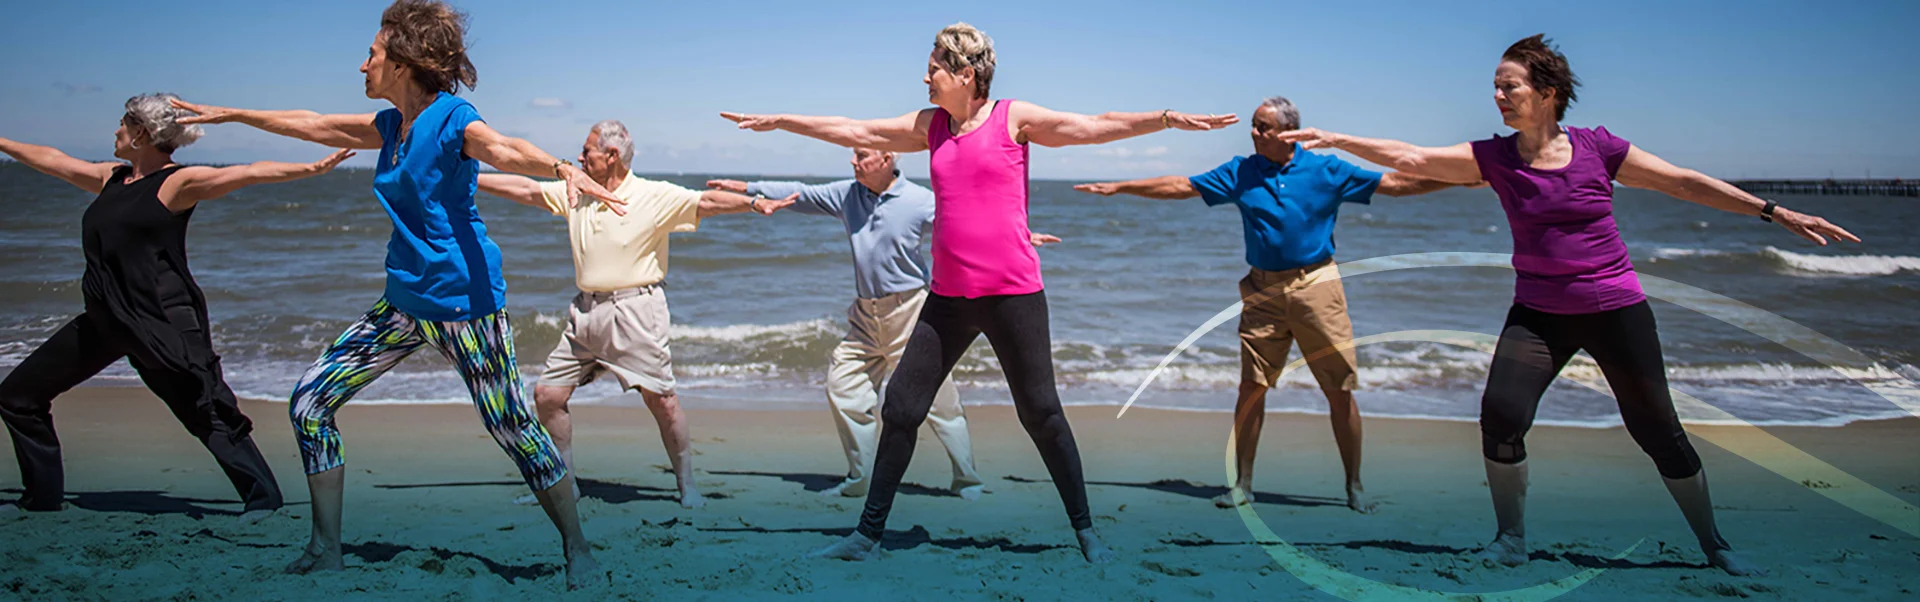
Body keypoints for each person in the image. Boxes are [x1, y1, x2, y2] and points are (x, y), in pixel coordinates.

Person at [1274, 34, 1858, 576]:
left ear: (1547, 93)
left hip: (1616, 310)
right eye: (1496, 87)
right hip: (1538, 314)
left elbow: (1682, 182)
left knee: (1657, 428)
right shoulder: (1495, 158)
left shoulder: (1599, 149)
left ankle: (1714, 544)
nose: (1498, 96)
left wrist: (1773, 212)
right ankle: (1510, 539)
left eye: (1511, 86)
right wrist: (1337, 138)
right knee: (1501, 417)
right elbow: (1415, 158)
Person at [720, 22, 1237, 564]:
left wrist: (1163, 119)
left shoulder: (1014, 118)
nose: (925, 77)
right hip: (947, 297)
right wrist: (783, 122)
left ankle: (1087, 532)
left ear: (966, 74)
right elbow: (855, 127)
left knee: (1040, 413)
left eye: (935, 69)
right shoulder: (931, 127)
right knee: (900, 407)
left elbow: (1092, 126)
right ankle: (867, 536)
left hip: (1014, 293)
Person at [168, 0, 623, 588]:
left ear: (403, 63)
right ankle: (325, 547)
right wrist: (230, 114)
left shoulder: (454, 118)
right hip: (403, 303)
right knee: (309, 404)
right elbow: (310, 123)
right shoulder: (389, 126)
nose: (363, 66)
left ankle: (577, 548)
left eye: (373, 55)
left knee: (514, 429)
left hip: (465, 305)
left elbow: (504, 148)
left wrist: (560, 167)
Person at [1075, 96, 1474, 514]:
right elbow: (1182, 187)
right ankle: (1242, 485)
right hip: (1262, 292)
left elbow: (1396, 184)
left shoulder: (1325, 168)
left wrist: (1461, 179)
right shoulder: (1242, 171)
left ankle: (1354, 486)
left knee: (1338, 389)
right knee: (1251, 388)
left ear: (1287, 132)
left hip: (1317, 287)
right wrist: (1121, 186)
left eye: (1263, 127)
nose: (1254, 133)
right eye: (1253, 125)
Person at [0, 94, 350, 520]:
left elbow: (247, 174)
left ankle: (263, 499)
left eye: (122, 125)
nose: (114, 132)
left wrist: (310, 169)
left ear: (141, 134)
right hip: (106, 319)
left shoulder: (175, 184)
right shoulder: (112, 178)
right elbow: (52, 159)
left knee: (206, 413)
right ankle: (41, 500)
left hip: (158, 322)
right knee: (18, 396)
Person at [477, 120, 794, 509]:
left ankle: (687, 487)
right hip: (585, 312)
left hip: (636, 311)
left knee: (662, 401)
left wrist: (752, 202)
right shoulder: (577, 191)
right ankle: (565, 484)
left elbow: (704, 203)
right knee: (547, 395)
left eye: (587, 150)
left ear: (611, 156)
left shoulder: (652, 195)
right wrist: (470, 177)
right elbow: (526, 190)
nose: (579, 157)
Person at [710, 148, 1059, 501]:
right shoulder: (847, 195)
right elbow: (799, 192)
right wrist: (746, 187)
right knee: (843, 385)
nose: (853, 162)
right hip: (864, 314)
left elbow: (968, 224)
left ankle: (967, 481)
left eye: (862, 155)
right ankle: (859, 477)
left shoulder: (920, 201)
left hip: (911, 310)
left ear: (887, 158)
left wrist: (1019, 237)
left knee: (939, 400)